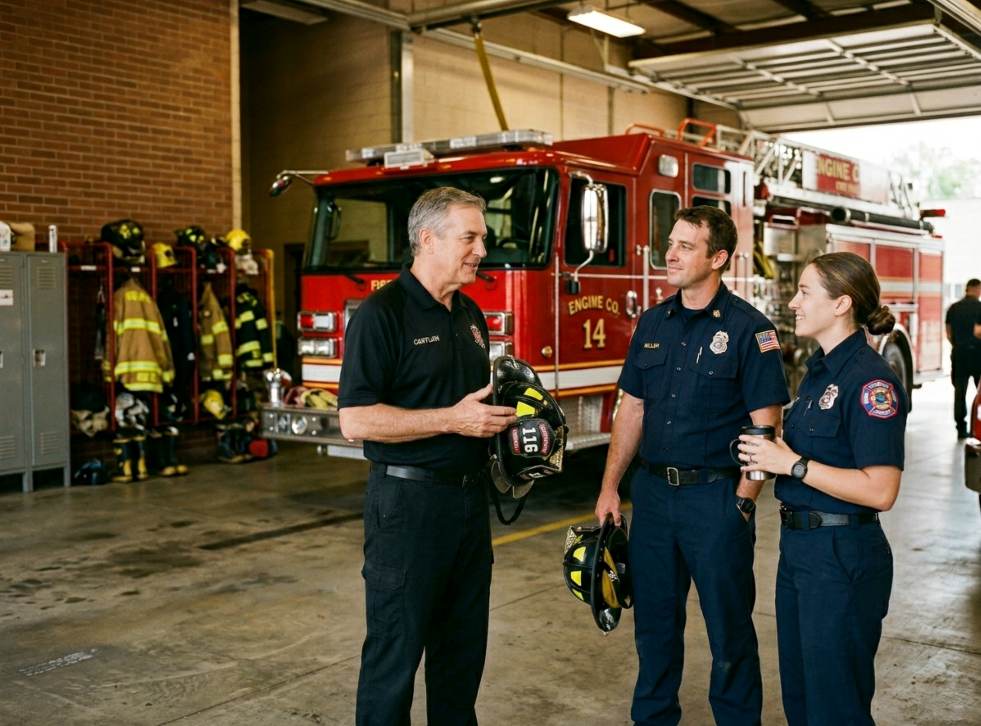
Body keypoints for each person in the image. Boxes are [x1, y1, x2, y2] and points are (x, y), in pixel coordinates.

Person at [595, 205, 789, 725]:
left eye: (685, 246)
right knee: (655, 626)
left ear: (718, 258)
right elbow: (631, 409)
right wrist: (610, 487)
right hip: (654, 499)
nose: (670, 254)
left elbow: (764, 429)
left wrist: (743, 506)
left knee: (728, 630)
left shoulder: (751, 330)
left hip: (716, 500)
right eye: (671, 243)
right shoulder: (653, 322)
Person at [338, 187, 516, 726]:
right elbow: (356, 421)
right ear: (427, 238)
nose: (482, 249)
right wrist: (449, 419)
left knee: (461, 657)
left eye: (482, 237)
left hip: (467, 507)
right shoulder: (381, 314)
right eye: (471, 237)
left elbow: (477, 409)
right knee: (395, 654)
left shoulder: (470, 315)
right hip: (406, 506)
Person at [737, 252, 908, 726]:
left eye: (805, 292)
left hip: (842, 556)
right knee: (802, 699)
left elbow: (881, 490)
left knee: (835, 707)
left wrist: (792, 464)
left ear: (841, 305)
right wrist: (770, 457)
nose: (793, 302)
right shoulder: (819, 373)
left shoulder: (871, 382)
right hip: (801, 551)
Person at [945, 278, 981, 438]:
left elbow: (948, 332)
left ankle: (961, 427)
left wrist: (956, 345)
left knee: (960, 392)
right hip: (978, 355)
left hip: (959, 354)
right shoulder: (980, 307)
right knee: (980, 393)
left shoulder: (954, 308)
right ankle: (977, 428)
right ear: (976, 289)